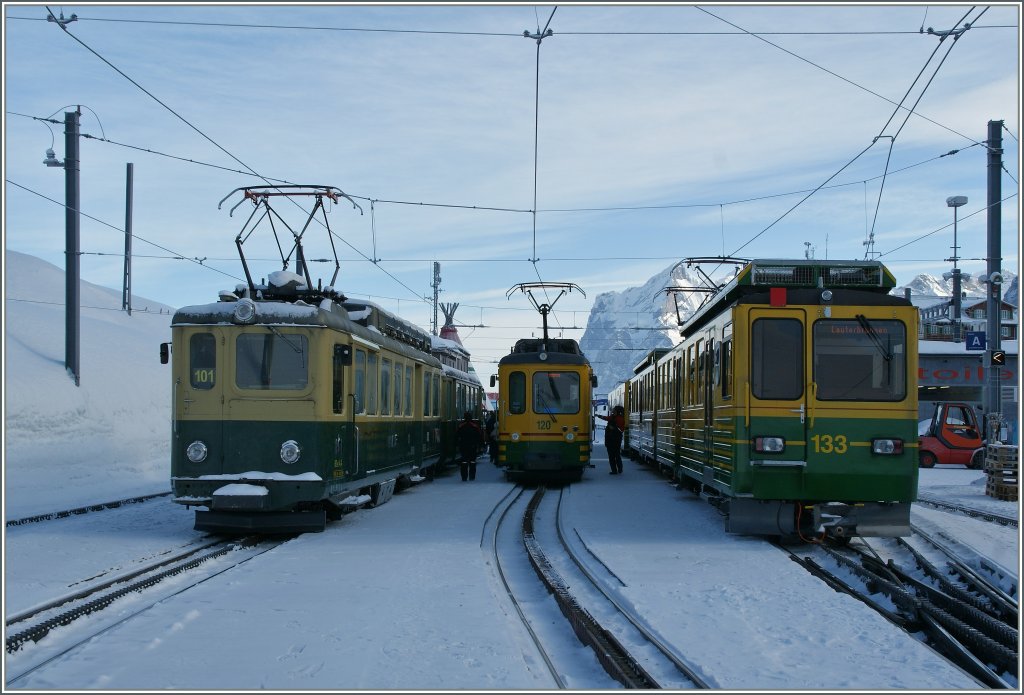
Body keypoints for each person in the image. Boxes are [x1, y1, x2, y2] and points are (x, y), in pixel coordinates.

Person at [595, 405, 626, 474]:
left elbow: (621, 429)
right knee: (615, 455)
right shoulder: (614, 417)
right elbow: (606, 418)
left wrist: (613, 429)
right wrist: (599, 416)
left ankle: (617, 469)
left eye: (614, 410)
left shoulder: (619, 419)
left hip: (614, 440)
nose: (613, 411)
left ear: (618, 411)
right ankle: (616, 469)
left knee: (613, 455)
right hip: (611, 440)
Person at [455, 411, 484, 481]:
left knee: (464, 462)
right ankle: (472, 476)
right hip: (473, 447)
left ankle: (464, 477)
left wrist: (457, 445)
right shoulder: (475, 426)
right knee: (472, 461)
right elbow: (479, 436)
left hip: (463, 446)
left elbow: (456, 436)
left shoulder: (461, 426)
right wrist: (480, 445)